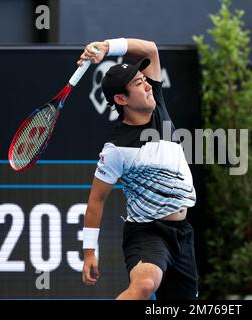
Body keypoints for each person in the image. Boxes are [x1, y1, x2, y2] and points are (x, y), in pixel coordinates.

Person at [77, 37, 198, 300]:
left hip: (183, 234)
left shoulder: (158, 106)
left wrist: (107, 47)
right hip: (148, 232)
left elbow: (151, 49)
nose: (147, 85)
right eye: (137, 83)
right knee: (144, 285)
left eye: (145, 80)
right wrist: (89, 253)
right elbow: (96, 200)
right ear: (121, 98)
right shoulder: (116, 149)